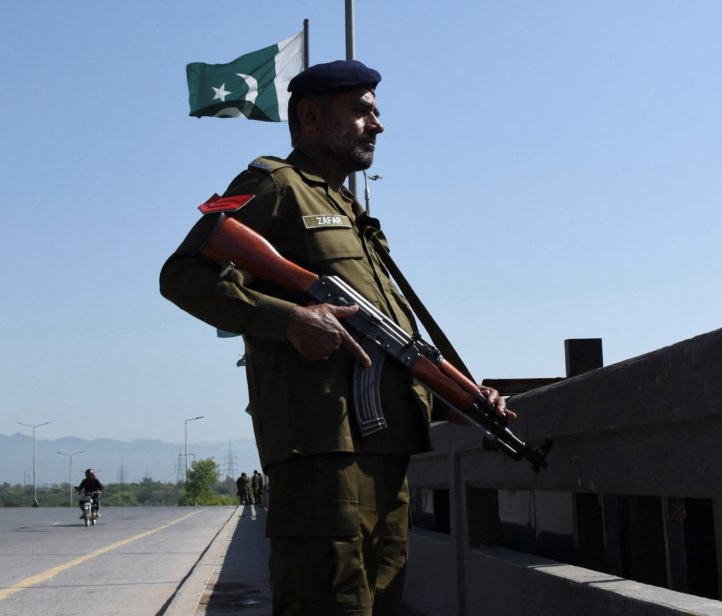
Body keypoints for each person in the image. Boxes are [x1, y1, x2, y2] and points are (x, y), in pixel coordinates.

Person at [160, 59, 509, 615]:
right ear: (311, 117)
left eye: (375, 112)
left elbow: (391, 344)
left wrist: (458, 396)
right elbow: (181, 274)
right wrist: (288, 320)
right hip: (321, 456)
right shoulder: (274, 185)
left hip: (387, 456)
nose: (377, 124)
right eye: (361, 111)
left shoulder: (351, 210)